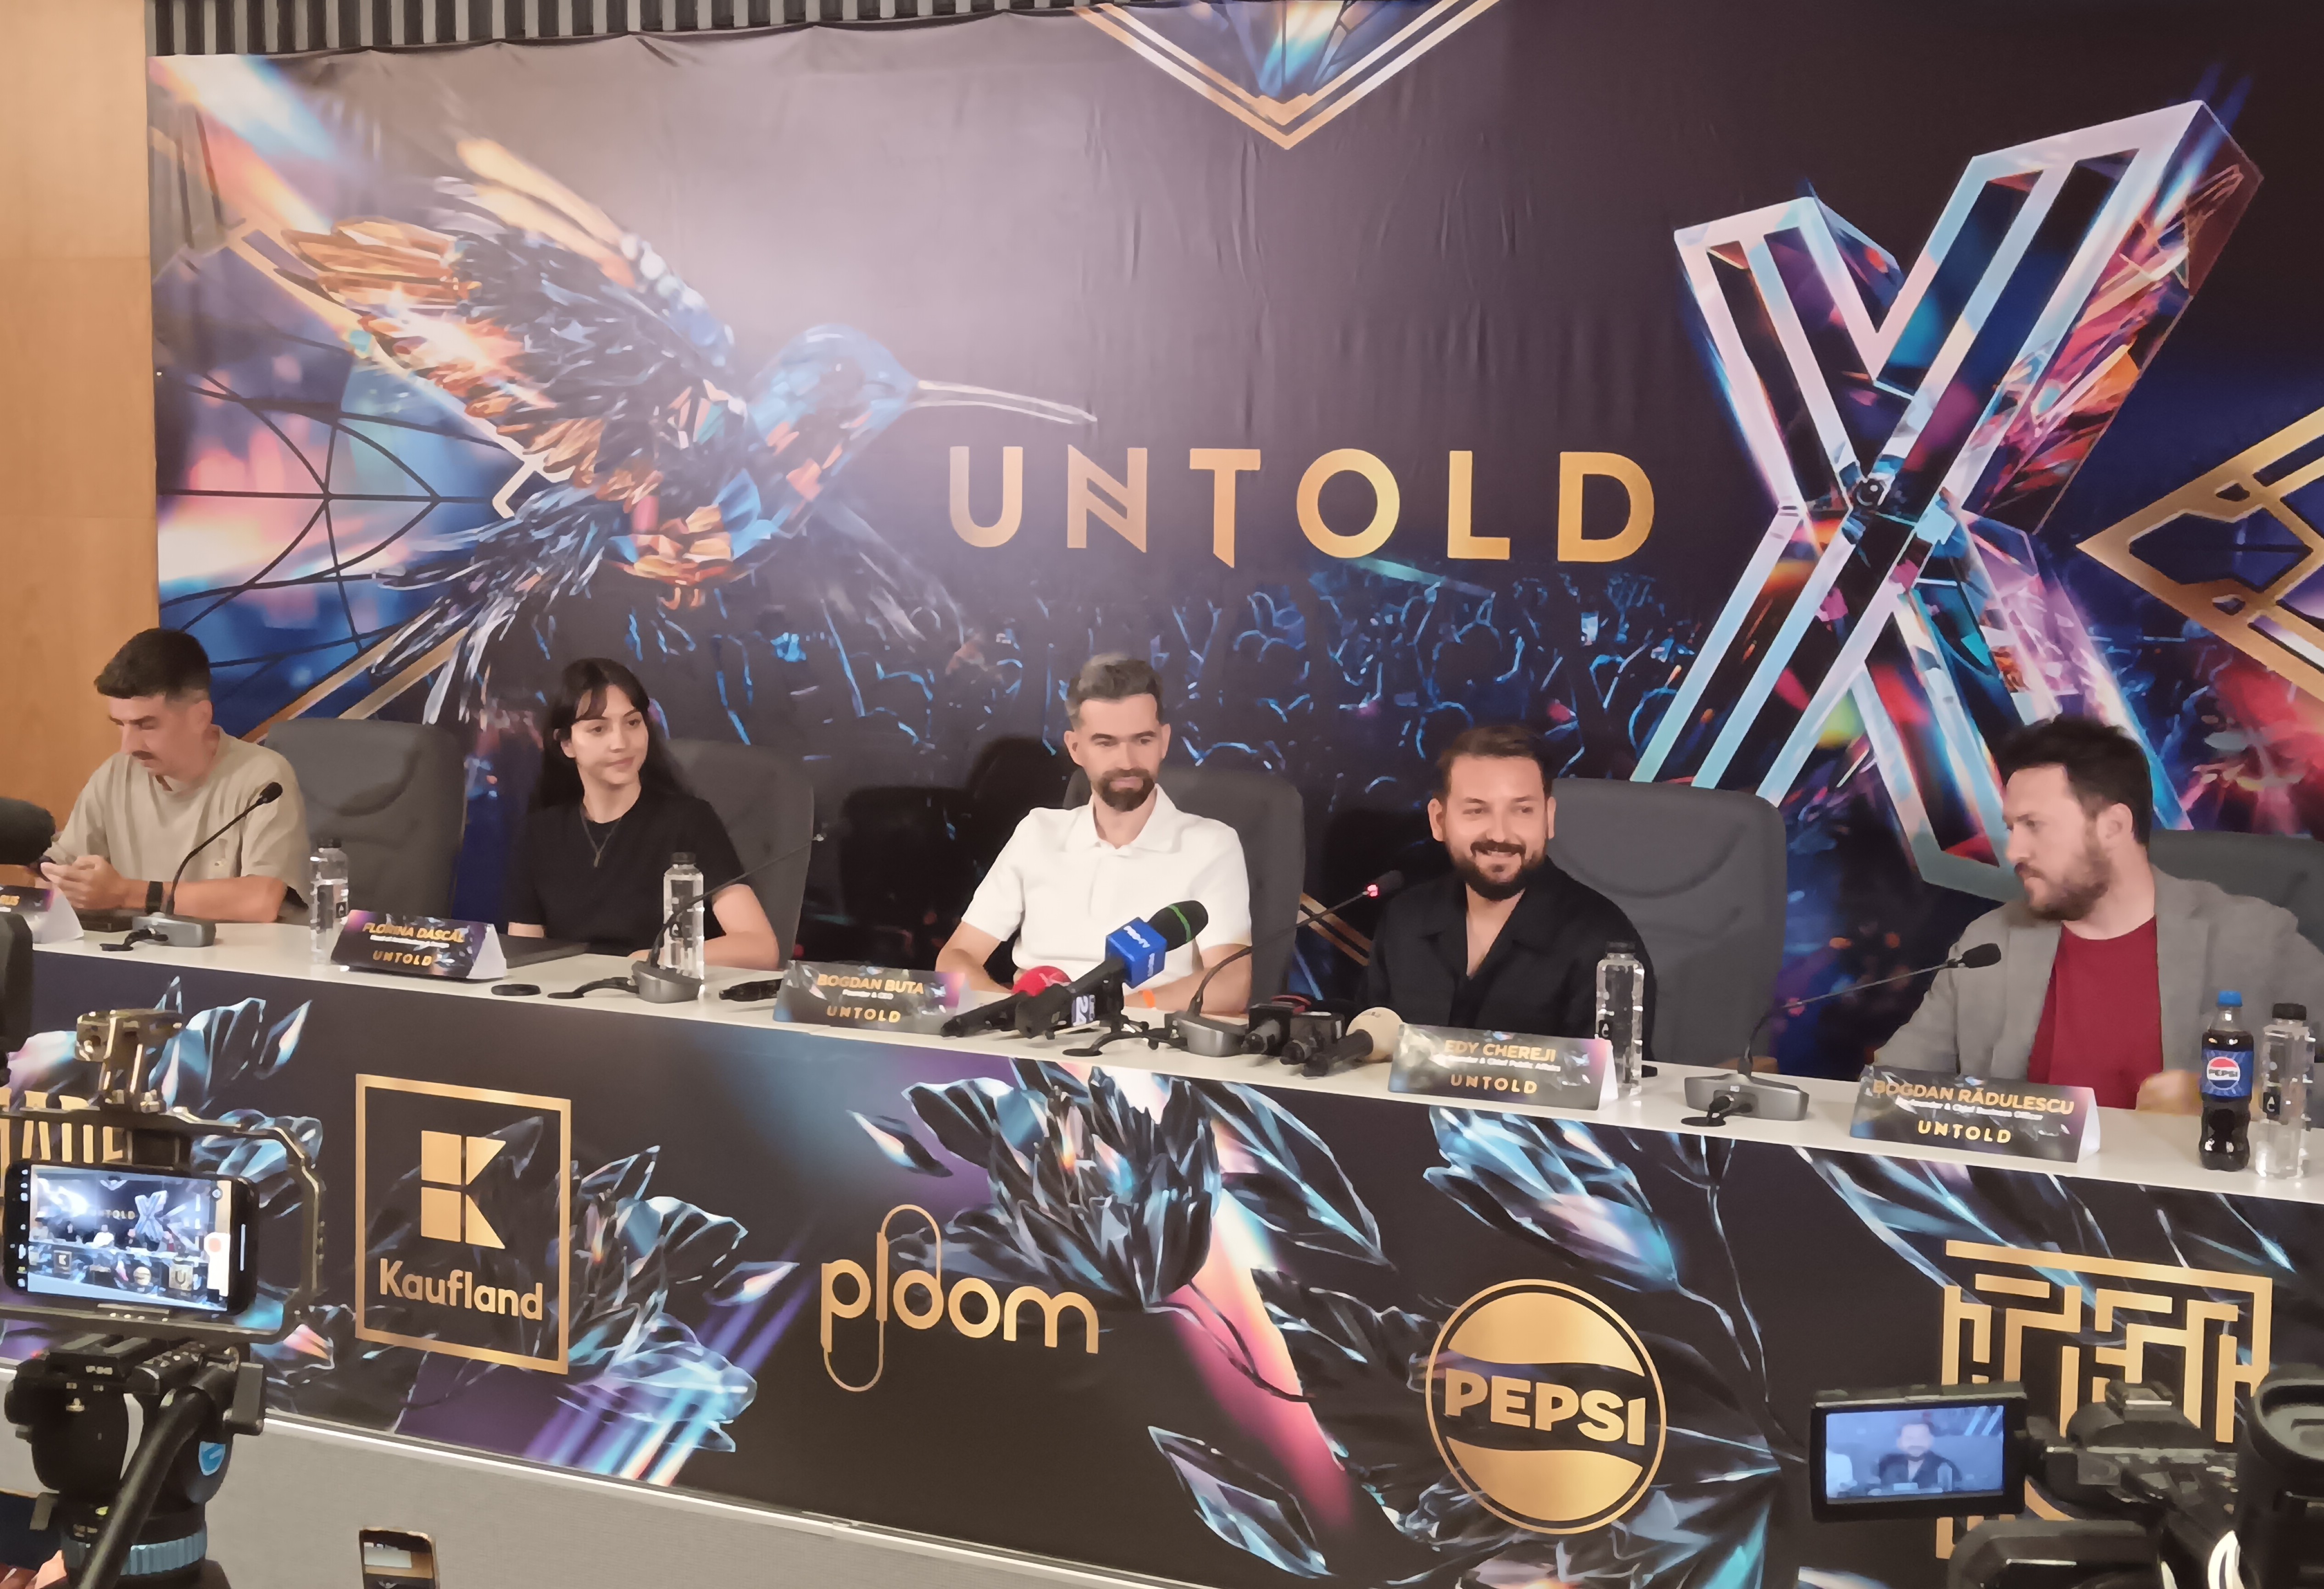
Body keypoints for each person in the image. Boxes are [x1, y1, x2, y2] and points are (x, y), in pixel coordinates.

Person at [1879, 716, 2324, 1110]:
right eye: (2011, 828)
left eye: (2034, 825)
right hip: (2022, 1181)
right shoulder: (1989, 942)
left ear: (2113, 826)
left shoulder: (2255, 938)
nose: (2013, 851)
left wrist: (2238, 1097)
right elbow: (1893, 1086)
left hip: (2177, 1181)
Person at [937, 656, 1253, 1013]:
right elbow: (955, 957)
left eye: (1143, 740)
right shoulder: (1038, 832)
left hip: (1142, 1035)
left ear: (1164, 741)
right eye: (1106, 743)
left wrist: (1102, 1013)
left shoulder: (1211, 845)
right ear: (1076, 748)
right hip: (1028, 1034)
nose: (1127, 761)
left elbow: (1231, 984)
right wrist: (1015, 1013)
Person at [1362, 724, 1655, 1041]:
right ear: (1439, 820)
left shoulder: (1604, 943)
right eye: (1477, 811)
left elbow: (1615, 1071)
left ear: (1548, 818)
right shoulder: (1405, 920)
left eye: (1522, 810)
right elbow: (1371, 1056)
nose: (1500, 834)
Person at [505, 658, 781, 967]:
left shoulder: (689, 821)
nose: (621, 743)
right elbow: (525, 957)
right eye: (598, 729)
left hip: (657, 991)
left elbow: (759, 947)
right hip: (570, 994)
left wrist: (651, 959)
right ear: (567, 744)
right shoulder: (539, 833)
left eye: (633, 723)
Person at [41, 629, 310, 923]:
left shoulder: (264, 778)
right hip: (138, 948)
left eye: (146, 725)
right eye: (120, 724)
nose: (128, 747)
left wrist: (127, 894)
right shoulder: (117, 773)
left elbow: (261, 901)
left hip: (239, 951)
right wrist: (58, 880)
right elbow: (56, 876)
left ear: (200, 717)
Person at [1874, 1418, 1960, 1493]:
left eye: (1922, 1438)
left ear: (1931, 1441)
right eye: (1910, 1438)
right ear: (1900, 1442)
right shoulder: (1886, 1463)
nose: (1916, 1443)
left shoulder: (1946, 1466)